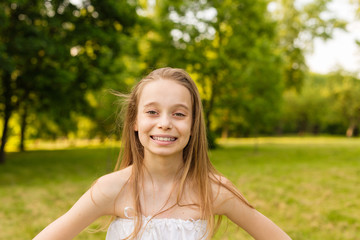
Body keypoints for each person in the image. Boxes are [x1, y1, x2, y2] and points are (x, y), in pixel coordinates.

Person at [33, 67, 291, 240]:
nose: (165, 123)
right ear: (135, 121)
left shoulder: (212, 190)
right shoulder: (111, 188)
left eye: (179, 113)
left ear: (192, 125)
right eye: (152, 112)